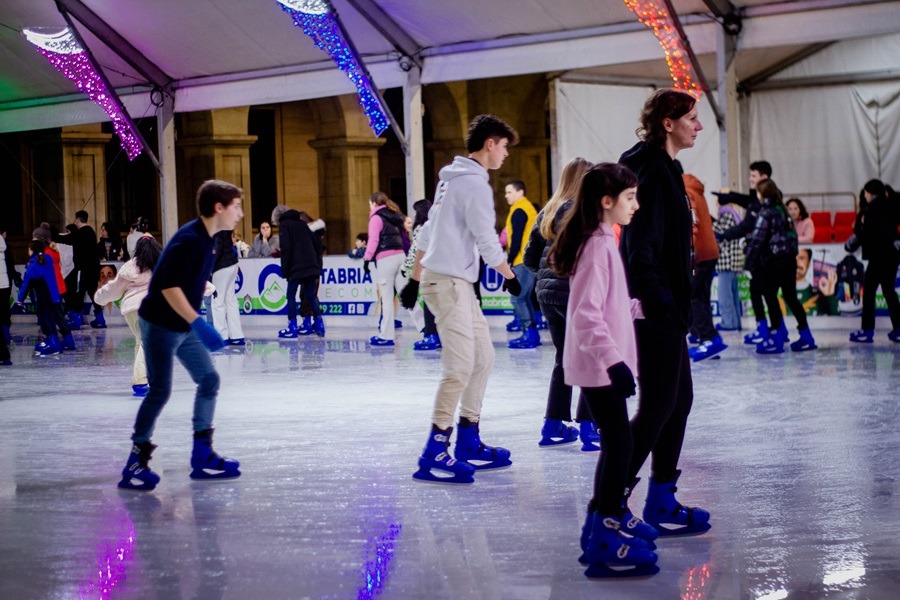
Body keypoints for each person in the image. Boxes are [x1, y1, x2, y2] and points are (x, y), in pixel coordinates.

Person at [549, 162, 658, 578]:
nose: (636, 204)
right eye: (629, 198)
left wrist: (641, 308)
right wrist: (616, 364)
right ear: (606, 202)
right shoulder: (596, 247)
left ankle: (600, 525)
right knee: (620, 447)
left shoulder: (603, 239)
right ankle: (605, 534)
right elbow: (585, 317)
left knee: (618, 445)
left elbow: (607, 305)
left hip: (601, 364)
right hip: (599, 367)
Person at [400, 114, 522, 483]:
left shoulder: (450, 182)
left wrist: (413, 278)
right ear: (489, 143)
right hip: (449, 284)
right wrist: (511, 276)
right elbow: (487, 240)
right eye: (503, 146)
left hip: (455, 284)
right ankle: (435, 450)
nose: (505, 155)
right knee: (459, 367)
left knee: (482, 358)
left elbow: (426, 232)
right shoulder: (472, 186)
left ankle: (469, 438)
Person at [618, 88, 710, 536]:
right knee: (657, 407)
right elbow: (640, 250)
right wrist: (662, 304)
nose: (698, 125)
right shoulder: (653, 171)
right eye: (691, 118)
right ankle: (611, 500)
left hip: (668, 308)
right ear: (668, 122)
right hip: (656, 310)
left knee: (678, 401)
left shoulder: (669, 168)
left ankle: (661, 498)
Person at [118, 179, 243, 491]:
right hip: (159, 323)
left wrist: (192, 322)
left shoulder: (210, 240)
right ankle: (136, 460)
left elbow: (188, 284)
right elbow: (168, 286)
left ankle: (202, 454)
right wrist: (200, 324)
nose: (240, 213)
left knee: (209, 380)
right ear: (219, 208)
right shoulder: (190, 240)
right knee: (160, 391)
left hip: (181, 325)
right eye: (236, 207)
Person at [523, 157, 601, 451]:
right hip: (573, 292)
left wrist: (548, 277)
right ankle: (589, 426)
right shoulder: (583, 211)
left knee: (564, 359)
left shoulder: (548, 210)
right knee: (591, 358)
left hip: (546, 294)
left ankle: (553, 424)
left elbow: (530, 258)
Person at [744, 179, 817, 353]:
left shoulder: (766, 213)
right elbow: (792, 238)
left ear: (762, 194)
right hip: (789, 260)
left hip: (774, 261)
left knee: (769, 294)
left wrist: (749, 263)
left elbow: (757, 241)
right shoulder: (783, 211)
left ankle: (776, 338)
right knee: (790, 296)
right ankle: (806, 336)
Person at [95, 235, 162, 397]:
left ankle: (144, 378)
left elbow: (114, 289)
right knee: (148, 343)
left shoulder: (129, 267)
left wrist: (99, 298)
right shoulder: (163, 263)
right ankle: (140, 382)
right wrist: (209, 288)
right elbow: (185, 278)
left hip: (132, 310)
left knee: (141, 341)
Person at [715, 161, 772, 345]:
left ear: (764, 177)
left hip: (764, 255)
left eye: (753, 176)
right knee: (764, 293)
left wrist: (723, 236)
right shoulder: (761, 199)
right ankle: (775, 329)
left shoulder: (766, 201)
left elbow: (748, 223)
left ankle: (768, 329)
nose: (750, 179)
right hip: (760, 254)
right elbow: (748, 203)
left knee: (759, 292)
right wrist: (731, 196)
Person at [683, 167, 726, 362]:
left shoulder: (686, 190)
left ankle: (709, 338)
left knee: (694, 297)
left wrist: (688, 248)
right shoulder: (694, 187)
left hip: (699, 253)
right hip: (708, 251)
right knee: (700, 296)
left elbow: (693, 223)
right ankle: (703, 336)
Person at [849, 179, 900, 343]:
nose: (864, 195)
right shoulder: (890, 206)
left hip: (879, 256)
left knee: (869, 292)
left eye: (865, 192)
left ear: (870, 193)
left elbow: (871, 233)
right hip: (890, 256)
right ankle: (898, 328)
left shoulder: (871, 210)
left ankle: (867, 330)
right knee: (889, 292)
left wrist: (855, 240)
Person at [273, 205, 324, 338]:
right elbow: (316, 243)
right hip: (311, 265)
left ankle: (292, 326)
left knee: (291, 296)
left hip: (296, 267)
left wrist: (285, 270)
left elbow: (286, 248)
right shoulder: (302, 223)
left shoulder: (285, 225)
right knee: (311, 295)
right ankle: (319, 324)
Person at [364, 192, 407, 346]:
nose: (369, 206)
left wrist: (367, 258)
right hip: (400, 256)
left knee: (387, 299)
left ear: (374, 203)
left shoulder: (376, 218)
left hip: (385, 259)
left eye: (369, 203)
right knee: (408, 296)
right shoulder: (395, 216)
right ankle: (428, 331)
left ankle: (386, 335)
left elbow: (374, 240)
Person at [504, 180, 540, 349]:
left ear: (520, 192)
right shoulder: (527, 208)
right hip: (529, 259)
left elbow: (517, 238)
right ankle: (531, 334)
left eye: (509, 192)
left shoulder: (519, 210)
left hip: (522, 260)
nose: (506, 196)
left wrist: (509, 259)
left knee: (517, 297)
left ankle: (529, 334)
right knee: (524, 297)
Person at [53, 210, 103, 329]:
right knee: (92, 292)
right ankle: (100, 319)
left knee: (79, 294)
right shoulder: (90, 232)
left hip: (84, 268)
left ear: (78, 220)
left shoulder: (82, 233)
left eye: (75, 220)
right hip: (93, 268)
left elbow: (68, 239)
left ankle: (77, 319)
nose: (74, 222)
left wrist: (54, 237)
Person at [403, 199, 441, 351]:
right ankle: (438, 335)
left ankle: (431, 335)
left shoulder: (423, 228)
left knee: (428, 302)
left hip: (427, 269)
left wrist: (406, 268)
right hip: (440, 268)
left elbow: (416, 251)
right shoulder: (438, 225)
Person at [32, 224, 76, 352]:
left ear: (40, 239)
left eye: (34, 238)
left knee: (48, 316)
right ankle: (66, 340)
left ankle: (53, 341)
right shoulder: (51, 251)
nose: (32, 240)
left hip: (50, 289)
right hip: (56, 287)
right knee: (57, 315)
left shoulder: (44, 254)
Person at [16, 241, 63, 356]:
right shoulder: (48, 259)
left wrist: (19, 300)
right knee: (50, 319)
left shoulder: (33, 265)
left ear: (31, 250)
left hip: (44, 298)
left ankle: (54, 344)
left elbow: (25, 285)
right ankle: (51, 341)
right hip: (54, 296)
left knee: (44, 320)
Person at [713, 196, 744, 330]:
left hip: (726, 261)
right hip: (733, 261)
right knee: (733, 294)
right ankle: (735, 322)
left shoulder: (725, 215)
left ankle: (728, 322)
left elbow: (719, 234)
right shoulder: (733, 214)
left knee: (724, 294)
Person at [210, 229, 245, 346]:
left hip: (221, 267)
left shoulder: (215, 226)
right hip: (232, 263)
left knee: (217, 301)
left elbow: (216, 249)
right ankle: (237, 335)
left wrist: (209, 268)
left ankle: (222, 336)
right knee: (231, 300)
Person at [794, 249, 838, 316]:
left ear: (808, 263)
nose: (796, 262)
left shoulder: (820, 297)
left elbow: (837, 323)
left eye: (801, 258)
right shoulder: (775, 295)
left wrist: (830, 296)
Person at [0, 225, 21, 365]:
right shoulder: (5, 247)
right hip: (4, 283)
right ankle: (5, 337)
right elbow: (10, 266)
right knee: (4, 311)